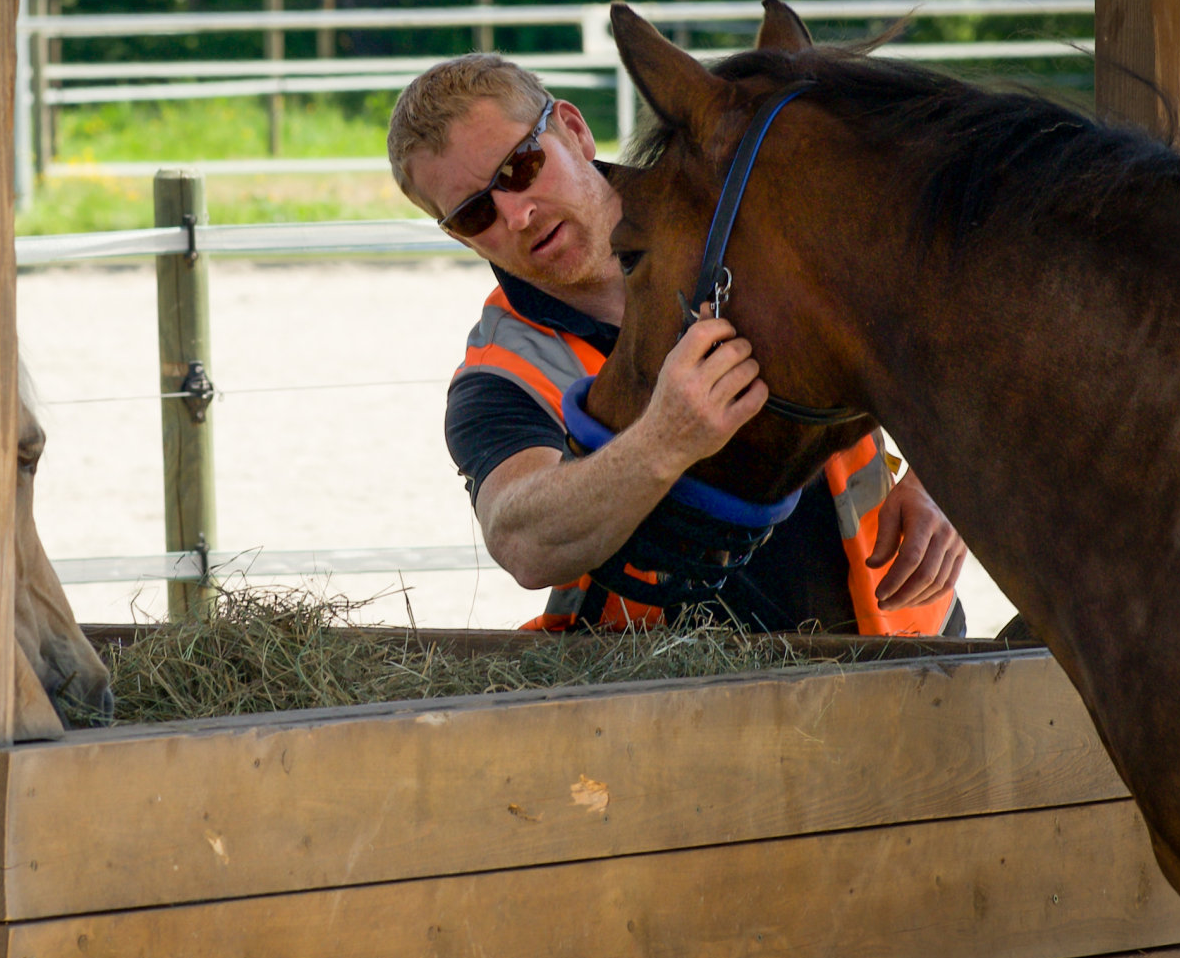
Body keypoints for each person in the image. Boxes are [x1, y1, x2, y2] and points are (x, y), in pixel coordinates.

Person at [386, 53, 967, 634]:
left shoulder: (749, 209)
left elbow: (958, 322)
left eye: (521, 167)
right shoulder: (501, 371)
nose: (516, 214)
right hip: (672, 700)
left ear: (574, 130)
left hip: (906, 655)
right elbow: (523, 541)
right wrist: (663, 439)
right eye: (474, 212)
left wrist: (945, 478)